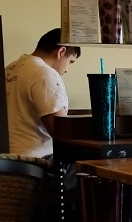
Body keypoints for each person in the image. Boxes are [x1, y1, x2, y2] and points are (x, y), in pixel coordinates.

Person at [5, 28, 80, 158]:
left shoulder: (10, 68)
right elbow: (61, 132)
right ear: (61, 52)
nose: (67, 69)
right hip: (35, 160)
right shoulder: (45, 74)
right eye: (70, 62)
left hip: (5, 158)